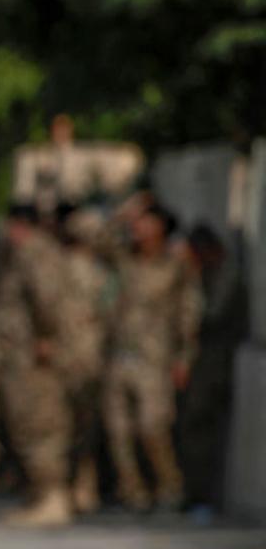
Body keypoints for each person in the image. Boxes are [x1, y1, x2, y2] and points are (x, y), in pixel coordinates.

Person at [102, 199, 201, 510]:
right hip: (119, 354)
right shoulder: (125, 259)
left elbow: (189, 312)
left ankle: (170, 488)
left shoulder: (176, 265)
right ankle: (134, 493)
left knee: (152, 426)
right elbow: (98, 239)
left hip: (155, 358)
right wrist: (124, 211)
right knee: (117, 430)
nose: (139, 228)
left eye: (146, 221)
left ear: (161, 227)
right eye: (137, 222)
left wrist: (184, 358)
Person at [0, 204, 76, 526]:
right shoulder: (22, 253)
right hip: (18, 355)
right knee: (24, 422)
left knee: (39, 422)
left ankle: (52, 496)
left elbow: (46, 297)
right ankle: (40, 493)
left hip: (31, 357)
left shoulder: (35, 253)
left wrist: (45, 336)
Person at [178, 224, 246, 512]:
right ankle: (195, 492)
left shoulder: (226, 275)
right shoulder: (206, 275)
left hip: (214, 363)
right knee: (193, 427)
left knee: (201, 426)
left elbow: (210, 316)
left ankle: (203, 496)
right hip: (204, 361)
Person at [59, 207, 115, 513]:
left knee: (83, 425)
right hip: (78, 354)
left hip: (87, 354)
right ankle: (75, 485)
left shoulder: (102, 272)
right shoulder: (75, 269)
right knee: (75, 425)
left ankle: (82, 484)